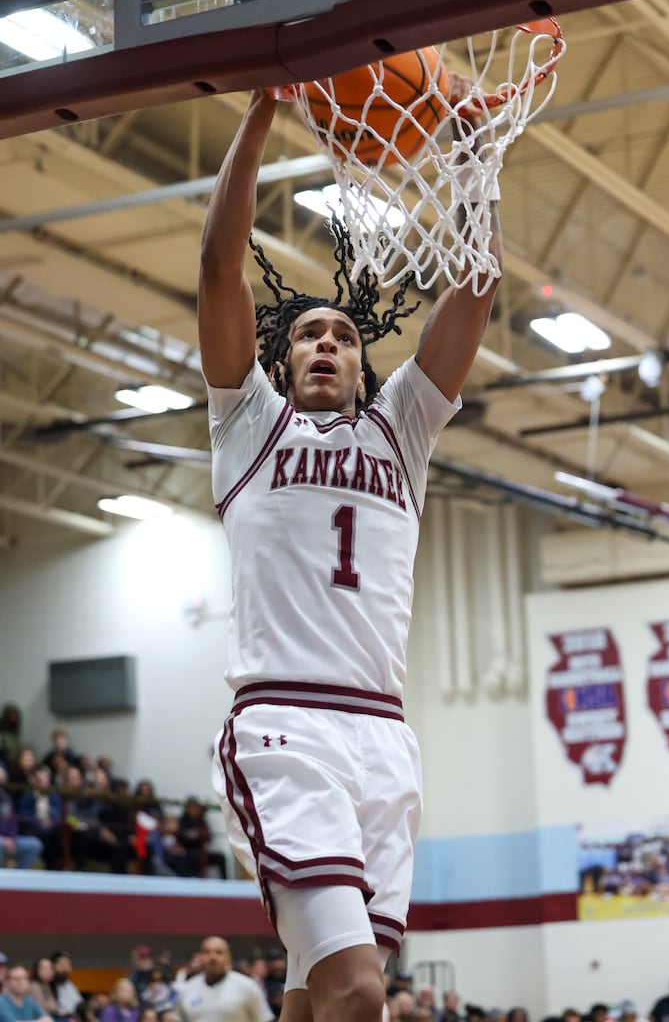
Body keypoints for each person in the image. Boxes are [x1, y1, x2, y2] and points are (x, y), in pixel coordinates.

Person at [200, 83, 500, 1022]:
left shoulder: (402, 431)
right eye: (305, 337)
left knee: (313, 998)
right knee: (364, 993)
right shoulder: (248, 425)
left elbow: (477, 287)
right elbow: (217, 268)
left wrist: (475, 158)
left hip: (383, 736)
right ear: (284, 366)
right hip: (287, 723)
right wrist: (259, 111)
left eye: (339, 335)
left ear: (366, 365)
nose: (324, 343)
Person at [175, 935, 272, 1022]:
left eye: (219, 952)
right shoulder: (187, 989)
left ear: (229, 957)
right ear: (199, 957)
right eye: (207, 952)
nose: (212, 957)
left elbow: (266, 1019)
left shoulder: (247, 986)